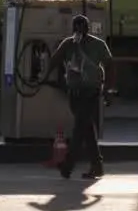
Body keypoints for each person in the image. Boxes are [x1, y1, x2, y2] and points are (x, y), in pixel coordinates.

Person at [48, 13, 114, 179]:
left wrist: (107, 90)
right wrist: (45, 75)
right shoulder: (68, 43)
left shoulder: (98, 44)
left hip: (90, 92)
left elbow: (110, 65)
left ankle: (68, 166)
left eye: (81, 27)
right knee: (86, 128)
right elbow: (55, 59)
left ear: (87, 29)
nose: (78, 31)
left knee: (79, 128)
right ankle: (97, 166)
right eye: (76, 27)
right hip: (74, 93)